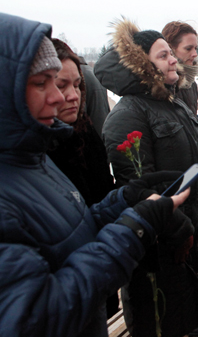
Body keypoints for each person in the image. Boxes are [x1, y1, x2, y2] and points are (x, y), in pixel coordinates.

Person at [0, 12, 190, 337]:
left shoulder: (33, 157)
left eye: (70, 84)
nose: (61, 97)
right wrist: (132, 230)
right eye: (42, 83)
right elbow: (34, 317)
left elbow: (68, 233)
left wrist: (121, 201)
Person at [95, 18, 198, 337]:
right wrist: (179, 229)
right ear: (143, 64)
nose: (173, 61)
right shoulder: (129, 114)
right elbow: (138, 186)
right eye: (163, 55)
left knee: (193, 314)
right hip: (160, 244)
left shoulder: (174, 103)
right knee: (162, 319)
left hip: (189, 236)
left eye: (171, 53)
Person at [46, 39, 119, 318]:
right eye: (61, 85)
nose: (73, 95)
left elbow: (97, 197)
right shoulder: (35, 152)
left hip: (97, 267)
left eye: (77, 85)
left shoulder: (85, 131)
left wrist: (125, 198)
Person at [162, 21, 198, 114]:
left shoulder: (191, 84)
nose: (195, 54)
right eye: (188, 49)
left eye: (195, 48)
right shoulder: (161, 85)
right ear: (170, 49)